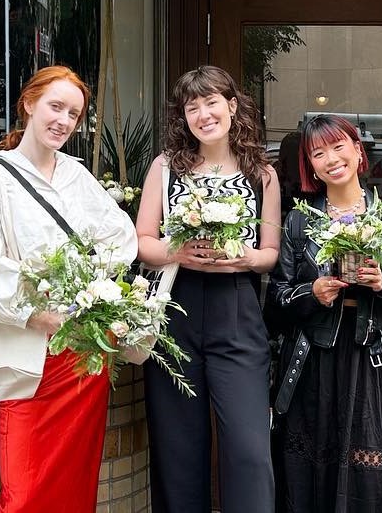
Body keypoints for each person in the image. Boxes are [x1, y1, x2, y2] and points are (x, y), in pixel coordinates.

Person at [0, 65, 138, 513]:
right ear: (29, 104)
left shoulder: (77, 175)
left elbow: (121, 241)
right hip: (27, 352)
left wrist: (84, 288)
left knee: (77, 476)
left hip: (81, 349)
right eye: (56, 106)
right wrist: (38, 312)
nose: (63, 120)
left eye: (73, 114)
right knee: (26, 485)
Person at [135, 65, 281, 513]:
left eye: (212, 101)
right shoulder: (165, 167)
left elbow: (270, 252)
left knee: (249, 447)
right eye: (192, 106)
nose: (203, 113)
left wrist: (244, 258)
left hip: (236, 307)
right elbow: (142, 243)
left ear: (232, 106)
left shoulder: (262, 173)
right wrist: (177, 252)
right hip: (176, 308)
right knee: (178, 444)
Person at [270, 114, 382, 513]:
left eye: (338, 147)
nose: (331, 159)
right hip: (314, 356)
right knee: (307, 460)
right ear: (310, 165)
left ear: (357, 150)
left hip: (367, 359)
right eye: (318, 153)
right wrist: (311, 292)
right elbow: (277, 303)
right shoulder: (299, 220)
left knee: (365, 463)